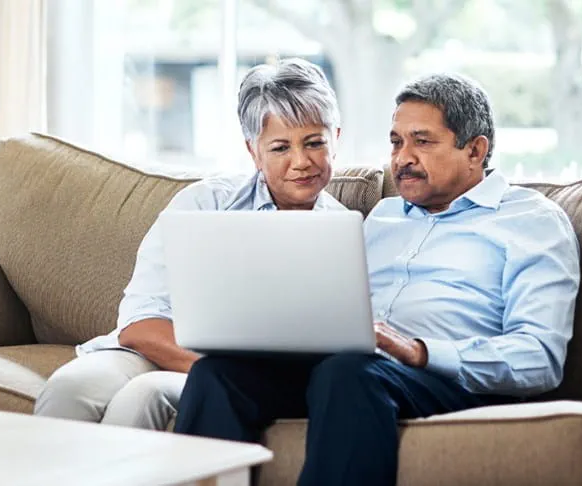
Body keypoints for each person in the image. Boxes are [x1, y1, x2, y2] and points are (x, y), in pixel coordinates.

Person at [172, 73, 582, 486]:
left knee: (348, 372)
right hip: (355, 371)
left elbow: (540, 358)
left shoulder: (531, 220)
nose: (402, 158)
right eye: (395, 142)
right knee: (218, 375)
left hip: (446, 381)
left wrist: (420, 352)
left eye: (421, 142)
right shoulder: (382, 216)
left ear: (475, 150)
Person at [33, 58, 347, 428]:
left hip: (232, 379)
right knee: (69, 389)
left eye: (314, 143)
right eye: (280, 148)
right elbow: (139, 323)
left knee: (143, 397)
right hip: (155, 354)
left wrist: (232, 378)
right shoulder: (204, 204)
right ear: (254, 151)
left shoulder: (345, 233)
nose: (301, 161)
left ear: (336, 138)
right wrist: (220, 372)